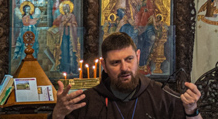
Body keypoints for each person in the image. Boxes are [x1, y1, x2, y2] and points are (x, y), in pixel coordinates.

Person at [51, 32, 203, 119]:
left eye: (129, 59)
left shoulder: (161, 95)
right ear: (104, 65)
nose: (124, 68)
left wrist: (192, 111)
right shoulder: (88, 101)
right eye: (115, 63)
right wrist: (57, 114)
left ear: (138, 56)